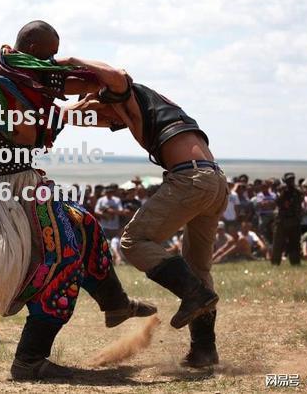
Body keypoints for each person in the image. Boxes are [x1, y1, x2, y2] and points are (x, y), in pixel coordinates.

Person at [0, 20, 155, 379]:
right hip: (13, 189)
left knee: (85, 227)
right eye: (49, 55)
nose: (53, 62)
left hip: (25, 183)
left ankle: (115, 304)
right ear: (31, 48)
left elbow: (78, 90)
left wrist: (99, 100)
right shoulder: (9, 80)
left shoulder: (12, 76)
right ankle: (29, 361)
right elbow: (32, 132)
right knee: (60, 263)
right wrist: (80, 104)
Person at [56, 46, 227, 369]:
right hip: (214, 182)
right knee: (199, 267)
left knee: (134, 242)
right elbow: (84, 115)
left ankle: (194, 295)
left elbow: (116, 76)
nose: (96, 114)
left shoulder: (123, 89)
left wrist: (70, 61)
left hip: (190, 179)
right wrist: (53, 113)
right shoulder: (147, 105)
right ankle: (204, 350)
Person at [271, 173, 303, 266]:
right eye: (289, 180)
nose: (291, 182)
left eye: (292, 180)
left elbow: (300, 198)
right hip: (282, 221)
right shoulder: (281, 191)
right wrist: (282, 192)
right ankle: (275, 262)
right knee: (278, 243)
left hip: (294, 220)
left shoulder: (296, 191)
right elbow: (277, 202)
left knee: (294, 243)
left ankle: (295, 262)